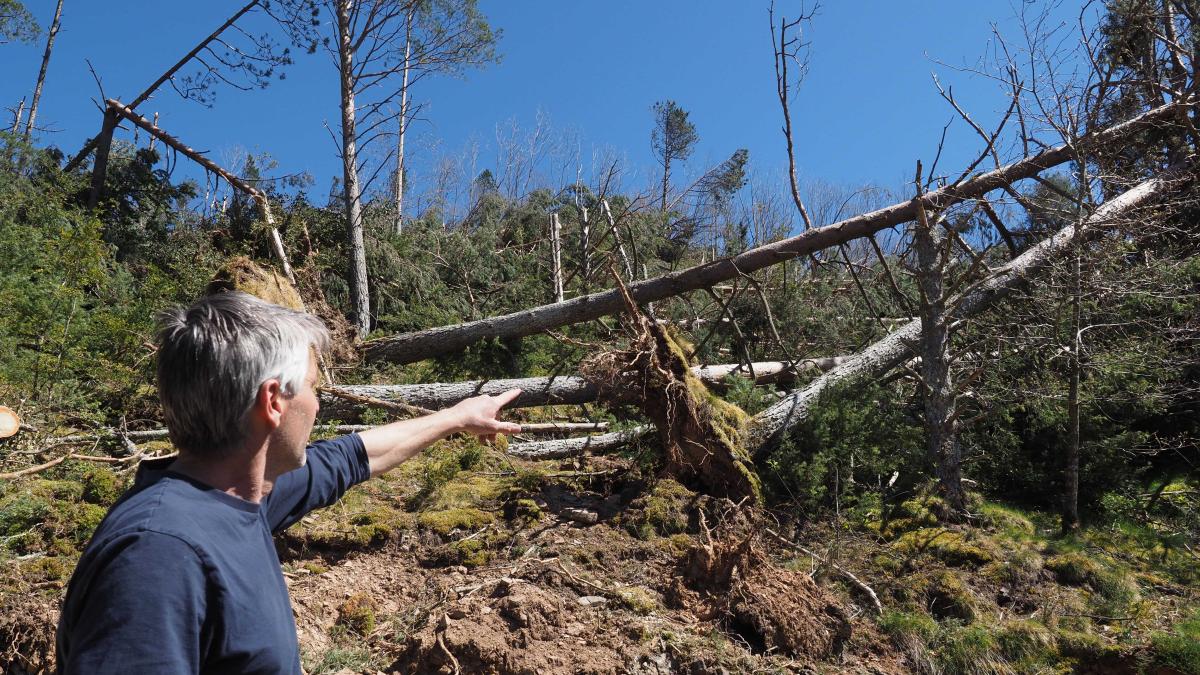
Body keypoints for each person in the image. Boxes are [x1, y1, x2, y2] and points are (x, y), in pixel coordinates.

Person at [55, 291, 522, 673]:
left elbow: (352, 457)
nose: (318, 405)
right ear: (274, 400)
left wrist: (457, 417)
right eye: (314, 387)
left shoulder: (241, 496)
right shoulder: (159, 556)